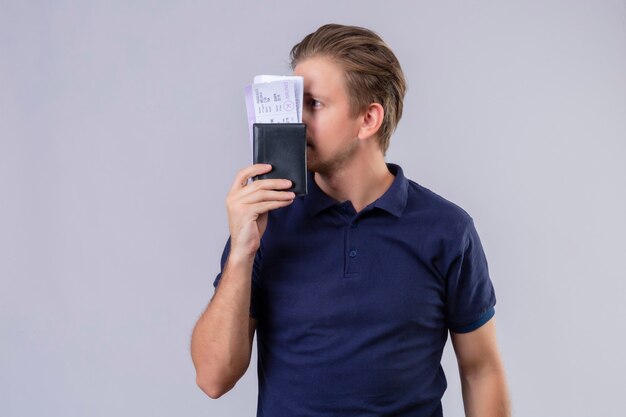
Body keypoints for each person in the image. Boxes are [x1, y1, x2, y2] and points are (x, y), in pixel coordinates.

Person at [191, 23, 510, 417]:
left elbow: (481, 370)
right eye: (294, 103)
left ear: (368, 119)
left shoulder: (447, 230)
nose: (295, 122)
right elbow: (212, 378)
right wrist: (241, 251)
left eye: (315, 104)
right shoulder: (265, 224)